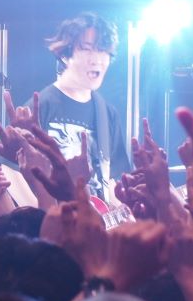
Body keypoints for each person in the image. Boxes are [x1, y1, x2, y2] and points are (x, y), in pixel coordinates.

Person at [36, 12, 130, 201]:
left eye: (103, 51)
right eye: (87, 49)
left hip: (95, 217)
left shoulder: (107, 114)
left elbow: (114, 180)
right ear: (65, 55)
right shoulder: (40, 106)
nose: (96, 59)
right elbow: (14, 176)